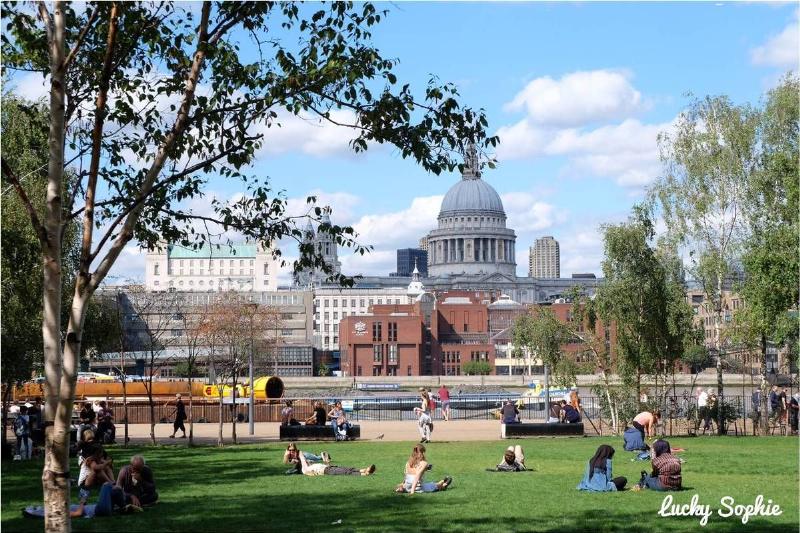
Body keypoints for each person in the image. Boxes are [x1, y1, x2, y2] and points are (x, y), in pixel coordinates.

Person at [23, 481, 137, 519]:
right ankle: (125, 505)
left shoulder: (61, 507)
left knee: (115, 490)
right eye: (36, 508)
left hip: (100, 508)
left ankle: (124, 507)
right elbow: (78, 513)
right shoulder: (59, 512)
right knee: (107, 485)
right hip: (99, 510)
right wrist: (83, 501)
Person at [297, 448, 375, 476]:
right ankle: (365, 474)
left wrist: (327, 461)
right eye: (305, 462)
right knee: (346, 472)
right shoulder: (305, 469)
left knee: (347, 469)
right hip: (327, 471)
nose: (307, 461)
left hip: (329, 468)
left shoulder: (310, 465)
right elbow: (310, 473)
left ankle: (365, 470)